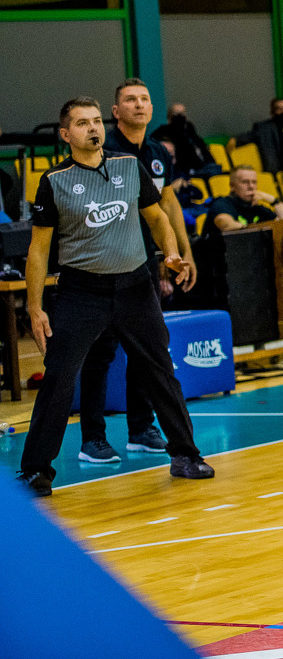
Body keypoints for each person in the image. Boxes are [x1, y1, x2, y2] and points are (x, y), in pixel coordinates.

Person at [17, 97, 215, 496]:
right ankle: (36, 470)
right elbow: (38, 251)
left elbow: (157, 217)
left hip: (135, 287)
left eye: (96, 121)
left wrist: (171, 252)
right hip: (80, 291)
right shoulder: (54, 181)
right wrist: (35, 308)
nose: (93, 128)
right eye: (82, 123)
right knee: (59, 377)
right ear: (65, 134)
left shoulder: (129, 165)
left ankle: (185, 454)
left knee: (160, 370)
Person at [76, 78, 199, 464]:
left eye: (145, 99)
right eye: (130, 100)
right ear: (116, 111)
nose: (139, 105)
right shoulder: (102, 149)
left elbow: (167, 203)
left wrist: (181, 251)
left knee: (148, 349)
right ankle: (92, 438)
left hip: (145, 262)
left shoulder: (158, 151)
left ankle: (141, 429)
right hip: (106, 265)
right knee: (100, 352)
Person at [201, 166, 283, 306]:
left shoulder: (257, 208)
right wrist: (262, 229)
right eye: (245, 182)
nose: (251, 186)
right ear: (232, 186)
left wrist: (272, 200)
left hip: (253, 268)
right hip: (222, 272)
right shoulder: (222, 204)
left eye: (254, 182)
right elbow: (226, 224)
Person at [229, 97, 283, 174]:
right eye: (278, 109)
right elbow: (249, 136)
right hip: (278, 169)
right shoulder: (265, 128)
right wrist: (235, 140)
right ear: (273, 111)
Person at [150, 103, 213, 176]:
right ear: (169, 117)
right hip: (187, 171)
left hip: (207, 166)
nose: (180, 116)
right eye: (176, 113)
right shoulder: (163, 132)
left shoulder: (190, 131)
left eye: (182, 113)